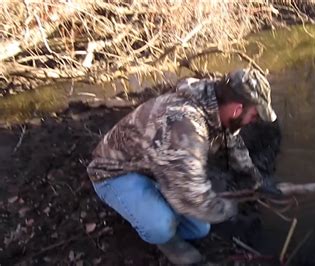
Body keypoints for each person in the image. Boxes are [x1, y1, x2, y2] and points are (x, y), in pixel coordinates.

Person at [87, 68, 278, 264]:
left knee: (199, 229)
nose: (252, 121)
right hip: (115, 173)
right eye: (254, 116)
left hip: (152, 168)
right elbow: (193, 199)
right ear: (237, 109)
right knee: (161, 226)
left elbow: (234, 147)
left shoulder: (215, 105)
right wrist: (229, 209)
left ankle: (153, 205)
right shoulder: (185, 126)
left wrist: (257, 182)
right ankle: (164, 240)